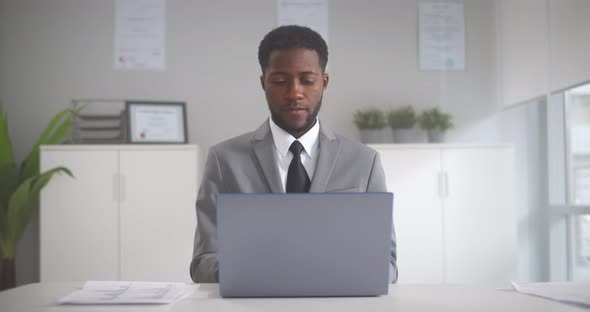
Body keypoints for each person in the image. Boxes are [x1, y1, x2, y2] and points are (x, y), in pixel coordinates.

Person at [190, 25, 397, 283]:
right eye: (279, 81)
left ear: (324, 82)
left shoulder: (364, 162)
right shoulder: (224, 160)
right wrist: (262, 270)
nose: (294, 92)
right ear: (263, 82)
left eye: (307, 81)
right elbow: (202, 263)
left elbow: (387, 264)